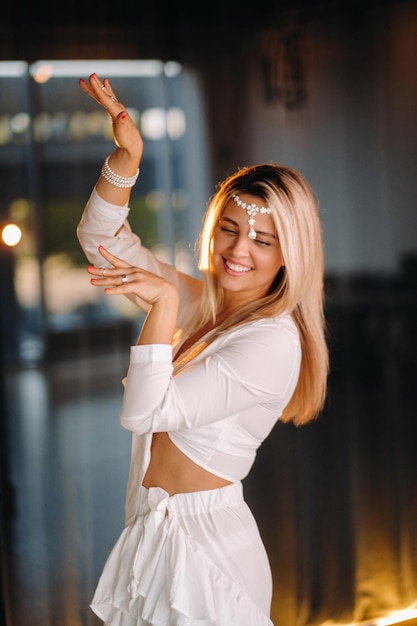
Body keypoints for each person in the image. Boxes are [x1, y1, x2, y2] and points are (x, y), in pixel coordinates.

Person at [77, 72, 328, 626]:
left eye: (263, 240)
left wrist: (163, 305)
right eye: (229, 229)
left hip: (207, 549)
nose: (239, 250)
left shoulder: (272, 343)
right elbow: (103, 246)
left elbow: (144, 411)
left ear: (291, 253)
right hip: (154, 527)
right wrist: (126, 158)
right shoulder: (210, 306)